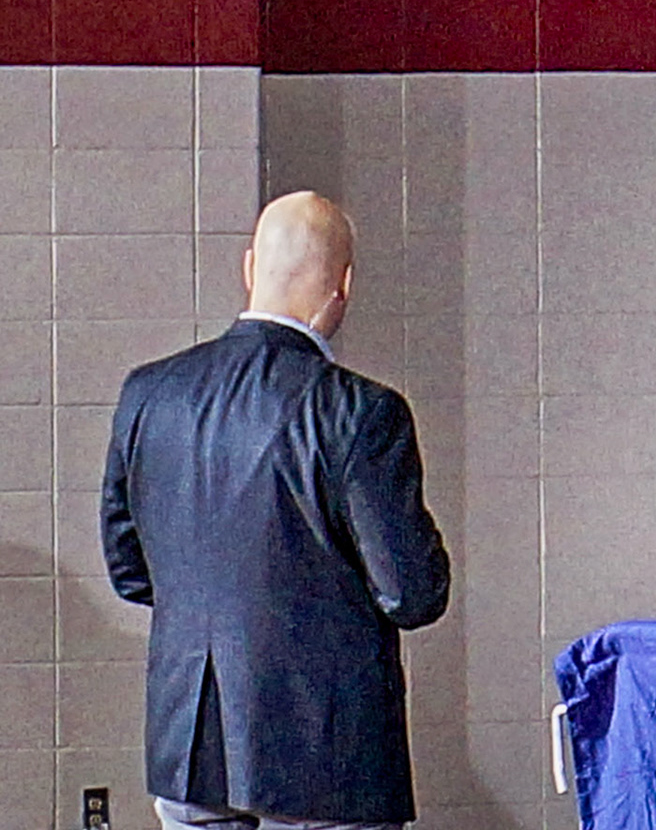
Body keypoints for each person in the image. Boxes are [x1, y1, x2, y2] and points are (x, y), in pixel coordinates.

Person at [100, 191, 451, 830]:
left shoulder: (149, 394)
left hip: (190, 744)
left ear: (249, 266)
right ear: (343, 286)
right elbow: (411, 593)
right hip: (328, 759)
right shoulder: (363, 414)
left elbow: (128, 570)